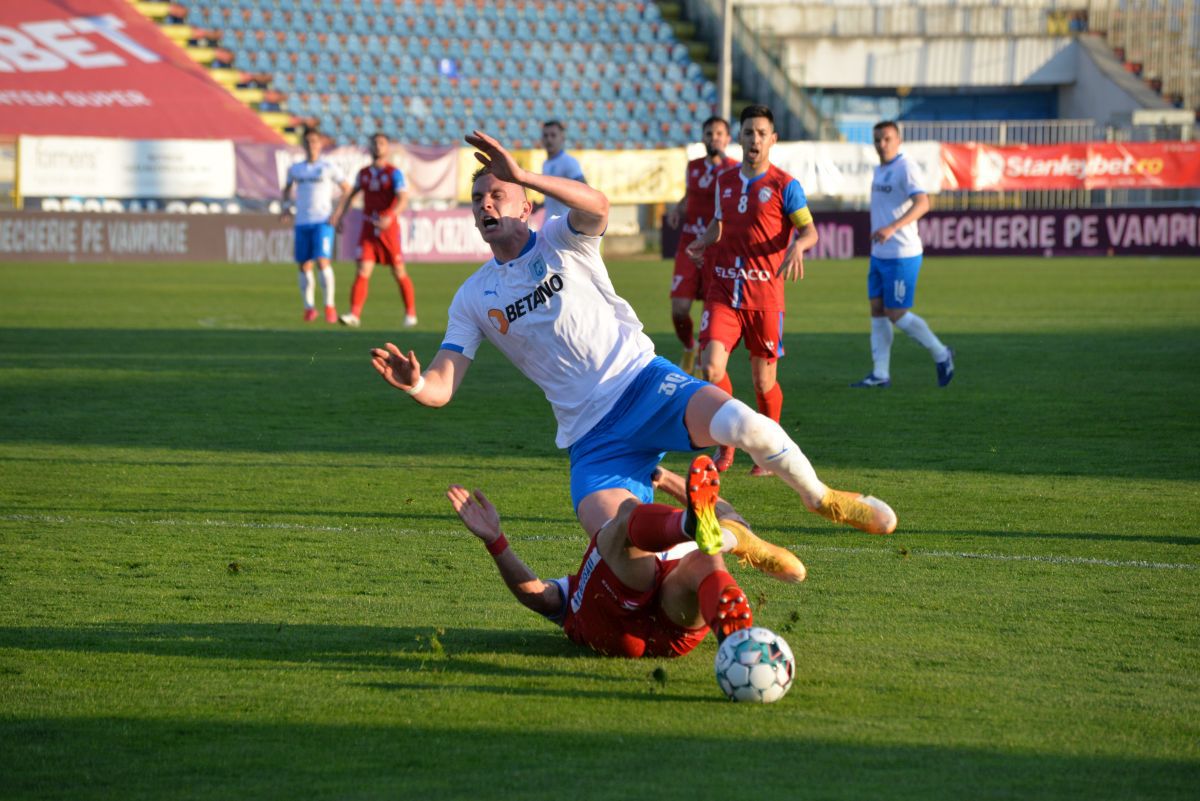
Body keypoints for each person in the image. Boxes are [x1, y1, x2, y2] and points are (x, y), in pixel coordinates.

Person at [370, 129, 896, 550]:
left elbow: (598, 206)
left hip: (643, 383)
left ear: (526, 207)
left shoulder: (560, 237)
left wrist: (523, 173)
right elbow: (442, 385)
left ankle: (820, 497)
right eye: (477, 199)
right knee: (616, 542)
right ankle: (737, 540)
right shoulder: (472, 296)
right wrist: (415, 384)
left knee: (746, 425)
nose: (485, 204)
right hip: (591, 437)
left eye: (497, 194)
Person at [446, 454, 804, 658]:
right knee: (703, 557)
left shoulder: (703, 532)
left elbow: (538, 597)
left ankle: (734, 639)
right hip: (668, 632)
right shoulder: (706, 534)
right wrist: (666, 481)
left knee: (644, 525)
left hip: (624, 625)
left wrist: (498, 542)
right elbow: (539, 597)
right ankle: (739, 644)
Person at [686, 105, 818, 476]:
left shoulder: (785, 186)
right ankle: (725, 444)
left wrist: (799, 245)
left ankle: (770, 452)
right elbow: (719, 224)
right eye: (748, 133)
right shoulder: (724, 181)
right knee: (711, 368)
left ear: (772, 139)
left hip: (765, 297)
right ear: (740, 138)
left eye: (761, 133)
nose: (754, 139)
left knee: (763, 382)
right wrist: (702, 241)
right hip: (724, 289)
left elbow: (809, 231)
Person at [851, 121, 954, 389]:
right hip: (879, 253)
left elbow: (923, 202)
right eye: (877, 139)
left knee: (895, 312)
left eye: (887, 139)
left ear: (898, 141)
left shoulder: (906, 167)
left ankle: (941, 353)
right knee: (877, 310)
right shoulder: (879, 169)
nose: (881, 144)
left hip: (902, 253)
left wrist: (892, 227)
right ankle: (880, 374)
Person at [665, 116, 738, 375]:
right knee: (679, 308)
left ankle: (703, 358)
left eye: (719, 133)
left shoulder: (734, 170)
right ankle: (689, 346)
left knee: (712, 308)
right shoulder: (693, 166)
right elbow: (690, 196)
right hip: (689, 243)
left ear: (727, 139)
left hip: (715, 247)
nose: (714, 138)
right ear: (703, 137)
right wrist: (678, 209)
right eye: (709, 133)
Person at [330, 132, 417, 328]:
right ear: (369, 147)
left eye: (381, 143)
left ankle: (411, 313)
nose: (377, 146)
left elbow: (403, 198)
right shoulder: (363, 173)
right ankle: (354, 314)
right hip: (368, 229)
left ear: (387, 148)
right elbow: (351, 194)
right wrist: (340, 215)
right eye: (374, 143)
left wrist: (390, 216)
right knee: (362, 269)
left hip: (388, 230)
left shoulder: (394, 173)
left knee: (398, 271)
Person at [281, 127, 351, 323]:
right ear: (303, 144)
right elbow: (286, 189)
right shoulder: (296, 169)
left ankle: (329, 306)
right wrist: (285, 208)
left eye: (314, 141)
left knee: (322, 261)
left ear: (320, 144)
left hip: (323, 220)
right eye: (308, 141)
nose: (311, 144)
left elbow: (347, 189)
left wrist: (337, 213)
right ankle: (309, 308)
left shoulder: (328, 167)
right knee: (304, 265)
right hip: (302, 221)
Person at [539, 119, 585, 220]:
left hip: (565, 223)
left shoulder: (569, 162)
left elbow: (584, 191)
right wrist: (539, 205)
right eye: (545, 136)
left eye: (553, 135)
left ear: (562, 138)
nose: (549, 139)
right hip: (549, 221)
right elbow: (552, 197)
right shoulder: (546, 164)